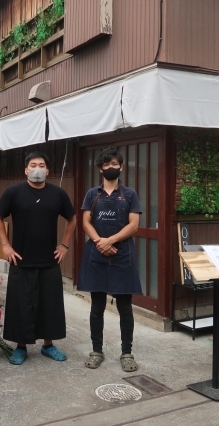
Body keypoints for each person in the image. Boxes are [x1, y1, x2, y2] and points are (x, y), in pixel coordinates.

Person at [0, 151, 77, 365]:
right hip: (20, 260)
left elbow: (72, 218)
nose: (37, 168)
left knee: (50, 304)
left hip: (49, 260)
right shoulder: (13, 193)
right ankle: (21, 347)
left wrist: (65, 245)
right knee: (21, 304)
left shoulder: (58, 194)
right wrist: (6, 245)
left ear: (47, 171)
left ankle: (48, 346)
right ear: (26, 170)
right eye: (33, 165)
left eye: (41, 165)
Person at [78, 147, 142, 372]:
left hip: (122, 254)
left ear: (121, 167)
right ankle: (96, 350)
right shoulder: (92, 194)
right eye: (106, 165)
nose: (110, 168)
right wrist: (100, 242)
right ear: (100, 169)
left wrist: (110, 241)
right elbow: (85, 222)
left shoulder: (130, 195)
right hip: (98, 254)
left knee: (125, 307)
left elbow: (134, 225)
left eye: (114, 164)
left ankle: (127, 352)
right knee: (97, 306)